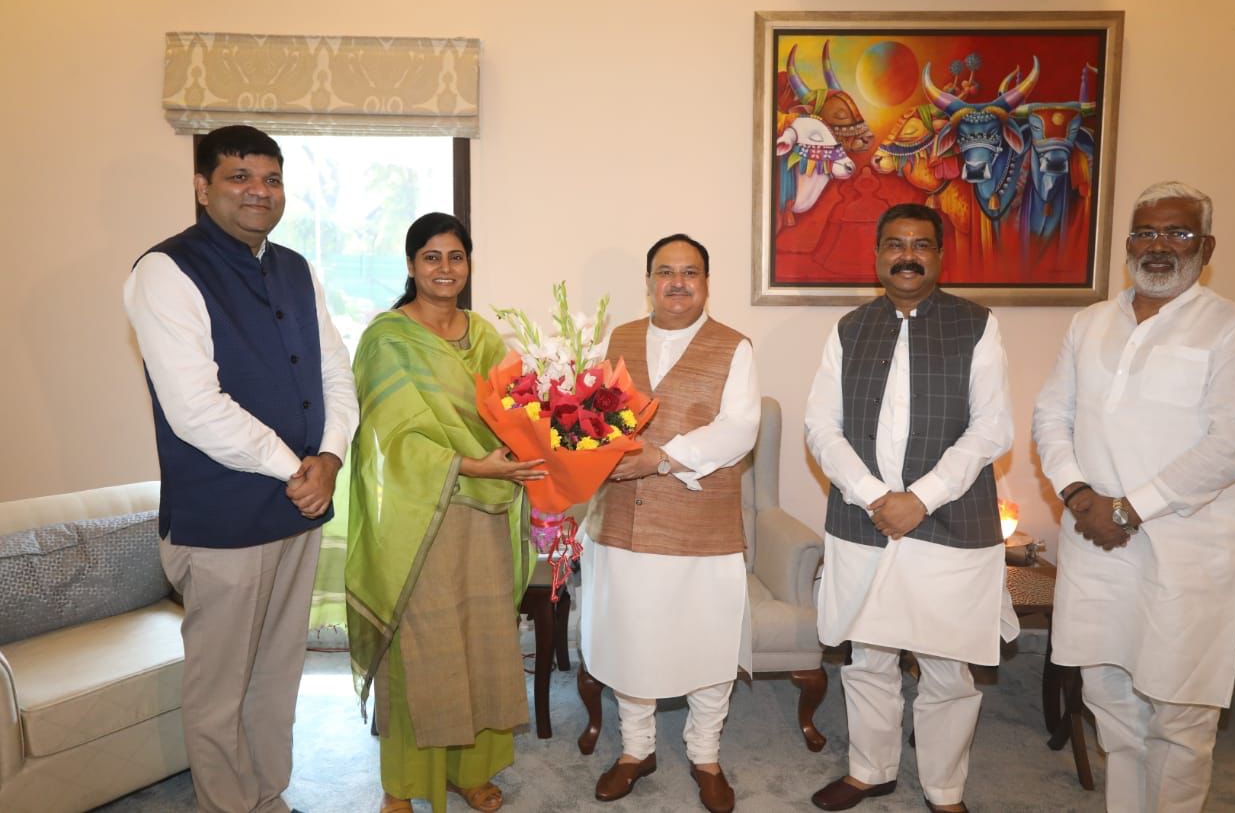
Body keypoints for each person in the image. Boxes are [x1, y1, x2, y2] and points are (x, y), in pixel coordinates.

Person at [123, 124, 359, 813]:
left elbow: (334, 372)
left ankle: (267, 795)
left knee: (277, 673)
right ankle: (227, 804)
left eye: (272, 178)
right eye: (239, 177)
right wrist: (299, 466)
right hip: (222, 520)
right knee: (220, 685)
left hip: (299, 507)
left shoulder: (294, 266)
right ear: (202, 186)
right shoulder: (164, 271)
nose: (260, 191)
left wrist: (333, 457)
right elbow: (196, 409)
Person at [1032, 181, 1235, 812]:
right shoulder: (1090, 324)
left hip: (1187, 556)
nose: (1159, 246)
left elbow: (1232, 445)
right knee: (1110, 704)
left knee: (1180, 718)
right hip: (1096, 545)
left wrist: (1129, 507)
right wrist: (1079, 492)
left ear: (1207, 245)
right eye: (1145, 232)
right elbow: (1050, 415)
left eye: (1178, 233)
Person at [803, 203, 1013, 813]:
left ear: (940, 256)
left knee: (948, 664)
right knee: (868, 655)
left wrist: (919, 499)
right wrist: (875, 498)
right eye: (894, 244)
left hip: (948, 519)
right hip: (862, 518)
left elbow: (992, 428)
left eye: (920, 245)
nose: (907, 256)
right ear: (876, 256)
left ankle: (945, 788)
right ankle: (870, 770)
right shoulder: (848, 328)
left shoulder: (978, 324)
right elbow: (822, 428)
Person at [344, 213, 545, 813]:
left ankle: (470, 771)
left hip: (484, 515)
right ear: (410, 266)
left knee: (481, 639)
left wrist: (522, 453)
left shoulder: (484, 337)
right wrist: (468, 465)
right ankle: (404, 783)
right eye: (431, 257)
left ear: (468, 265)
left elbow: (514, 414)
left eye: (455, 257)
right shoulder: (387, 339)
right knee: (422, 647)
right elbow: (388, 438)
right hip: (421, 513)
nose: (444, 269)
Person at [579, 234, 760, 813]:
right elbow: (594, 416)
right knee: (630, 637)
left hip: (700, 525)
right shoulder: (620, 339)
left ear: (706, 282)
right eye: (665, 272)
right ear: (649, 281)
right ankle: (636, 749)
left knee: (706, 642)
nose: (677, 283)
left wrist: (660, 457)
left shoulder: (735, 346)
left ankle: (705, 754)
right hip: (623, 525)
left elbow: (739, 431)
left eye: (690, 272)